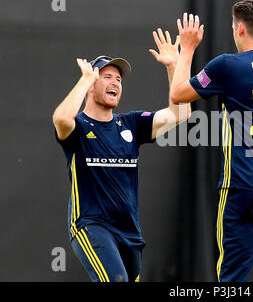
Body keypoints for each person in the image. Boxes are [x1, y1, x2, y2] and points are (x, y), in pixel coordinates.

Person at [170, 0, 253, 282]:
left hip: (242, 187)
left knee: (232, 278)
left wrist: (188, 50)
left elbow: (178, 94)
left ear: (240, 29)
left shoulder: (229, 66)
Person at [52, 29, 190, 282]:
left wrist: (174, 66)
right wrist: (85, 80)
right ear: (92, 84)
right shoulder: (78, 126)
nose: (115, 82)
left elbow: (181, 114)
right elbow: (61, 118)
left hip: (130, 231)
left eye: (119, 79)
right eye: (106, 77)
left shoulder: (132, 124)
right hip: (91, 226)